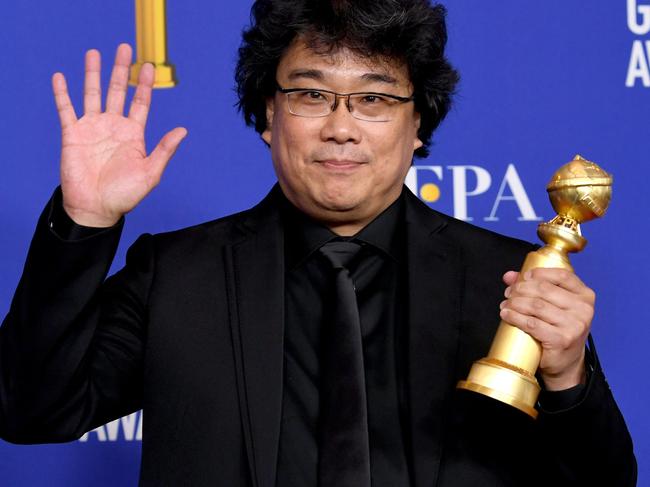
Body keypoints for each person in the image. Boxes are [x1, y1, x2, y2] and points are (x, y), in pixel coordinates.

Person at [0, 1, 636, 486]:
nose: (340, 127)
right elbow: (31, 413)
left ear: (419, 124)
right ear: (268, 116)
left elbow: (603, 479)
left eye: (375, 98)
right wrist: (82, 224)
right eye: (310, 94)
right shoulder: (174, 274)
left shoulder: (507, 279)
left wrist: (567, 376)